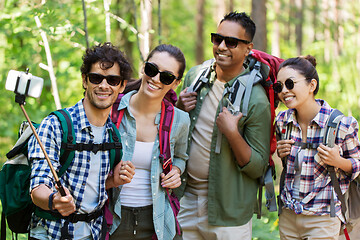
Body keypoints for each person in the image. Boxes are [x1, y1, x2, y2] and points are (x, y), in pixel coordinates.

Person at [176, 11, 271, 240]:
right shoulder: (195, 77)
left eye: (231, 42)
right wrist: (178, 109)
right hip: (185, 200)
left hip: (228, 211)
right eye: (217, 39)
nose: (221, 46)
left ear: (248, 48)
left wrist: (232, 133)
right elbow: (176, 135)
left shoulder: (256, 100)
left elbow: (258, 166)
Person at [28, 42, 136, 240]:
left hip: (93, 233)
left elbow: (91, 184)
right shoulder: (55, 125)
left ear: (121, 86)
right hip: (51, 234)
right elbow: (37, 188)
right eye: (96, 78)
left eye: (112, 80)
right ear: (85, 81)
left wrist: (114, 181)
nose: (104, 85)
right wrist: (54, 200)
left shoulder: (113, 134)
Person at [109, 44, 190, 240]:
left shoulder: (179, 120)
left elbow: (180, 157)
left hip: (158, 221)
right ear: (143, 67)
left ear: (176, 83)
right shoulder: (112, 110)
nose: (155, 79)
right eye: (152, 70)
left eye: (167, 76)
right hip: (113, 220)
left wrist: (177, 171)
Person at [274, 55, 360, 239]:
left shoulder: (341, 124)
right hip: (288, 215)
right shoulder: (282, 121)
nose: (284, 91)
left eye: (290, 83)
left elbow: (357, 165)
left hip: (323, 217)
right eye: (278, 86)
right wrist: (281, 154)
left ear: (312, 85)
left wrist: (339, 161)